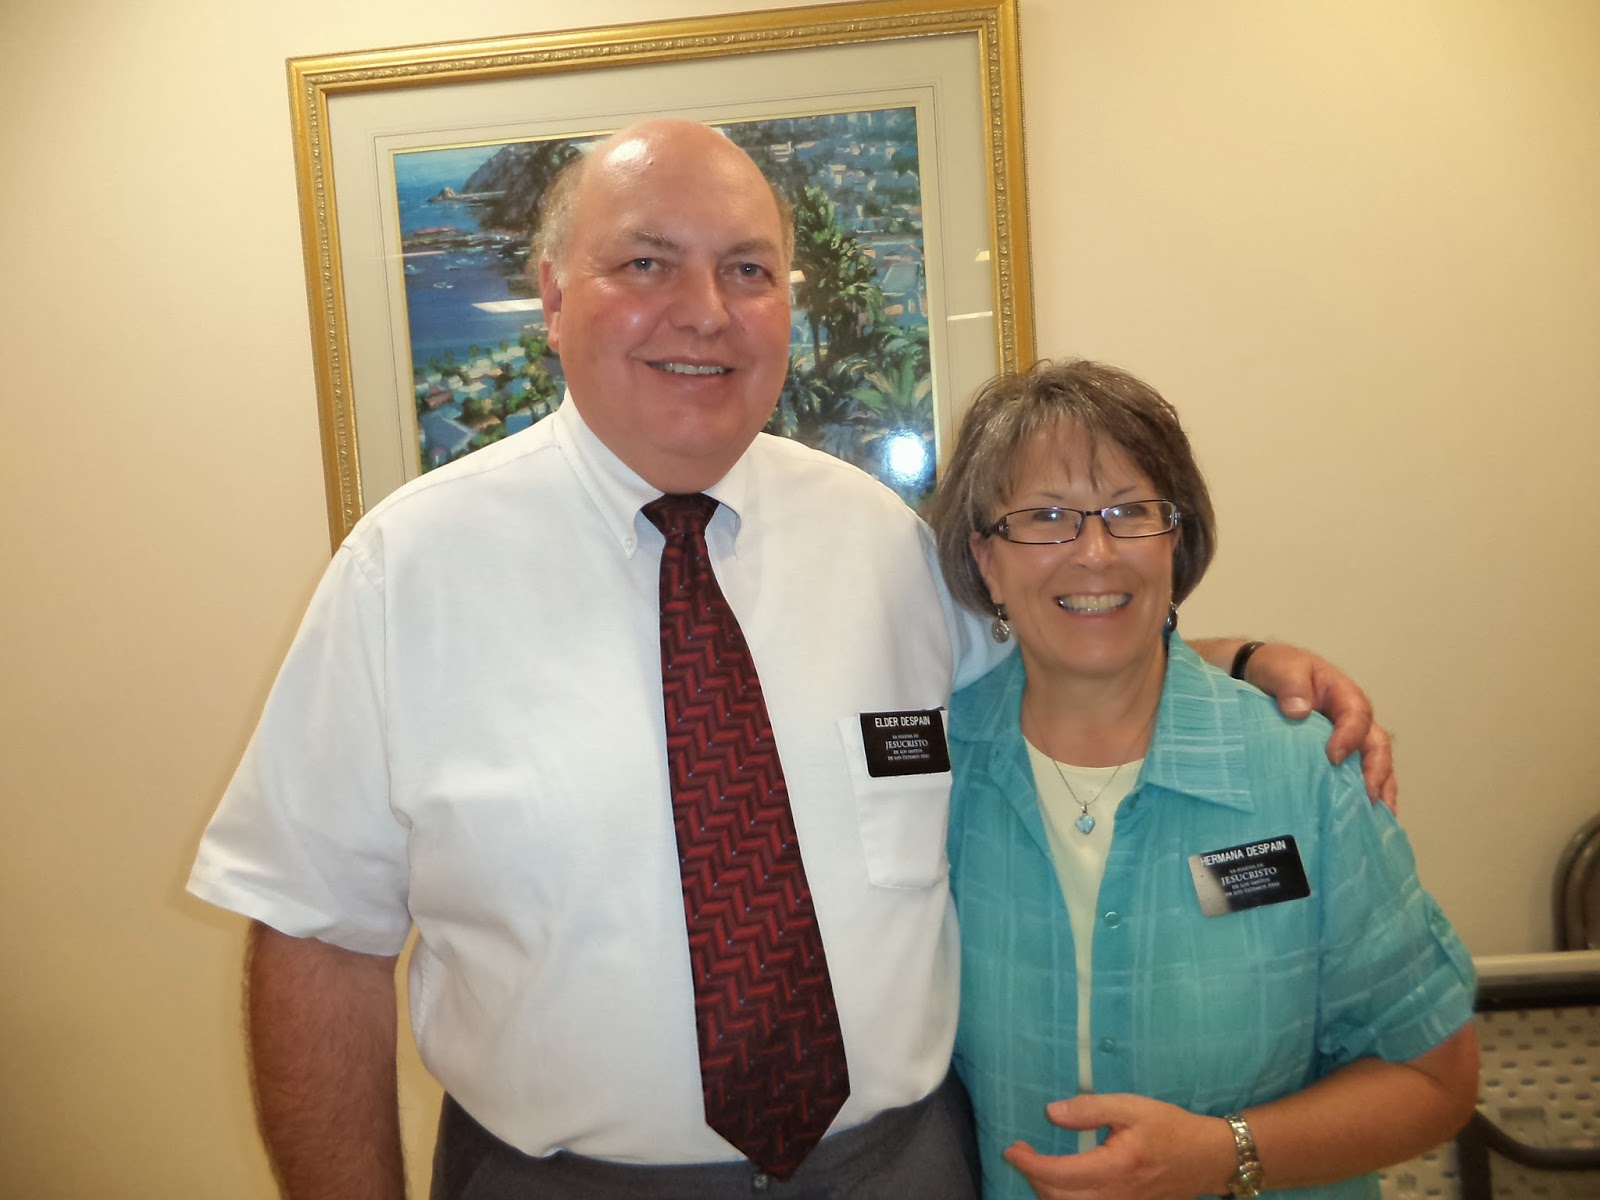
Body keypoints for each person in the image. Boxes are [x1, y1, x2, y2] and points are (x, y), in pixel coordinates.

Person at [189, 121, 1394, 1199]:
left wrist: (1237, 657)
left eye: (748, 270)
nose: (704, 311)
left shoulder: (881, 541)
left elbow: (1055, 661)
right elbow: (314, 938)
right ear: (552, 296)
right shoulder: (405, 573)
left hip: (900, 1168)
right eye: (645, 263)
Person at [928, 358, 1478, 1200]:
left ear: (1175, 541)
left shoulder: (1306, 775)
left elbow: (1436, 1082)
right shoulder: (935, 778)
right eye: (1045, 517)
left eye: (1130, 512)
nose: (1095, 552)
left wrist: (1227, 1152)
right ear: (986, 560)